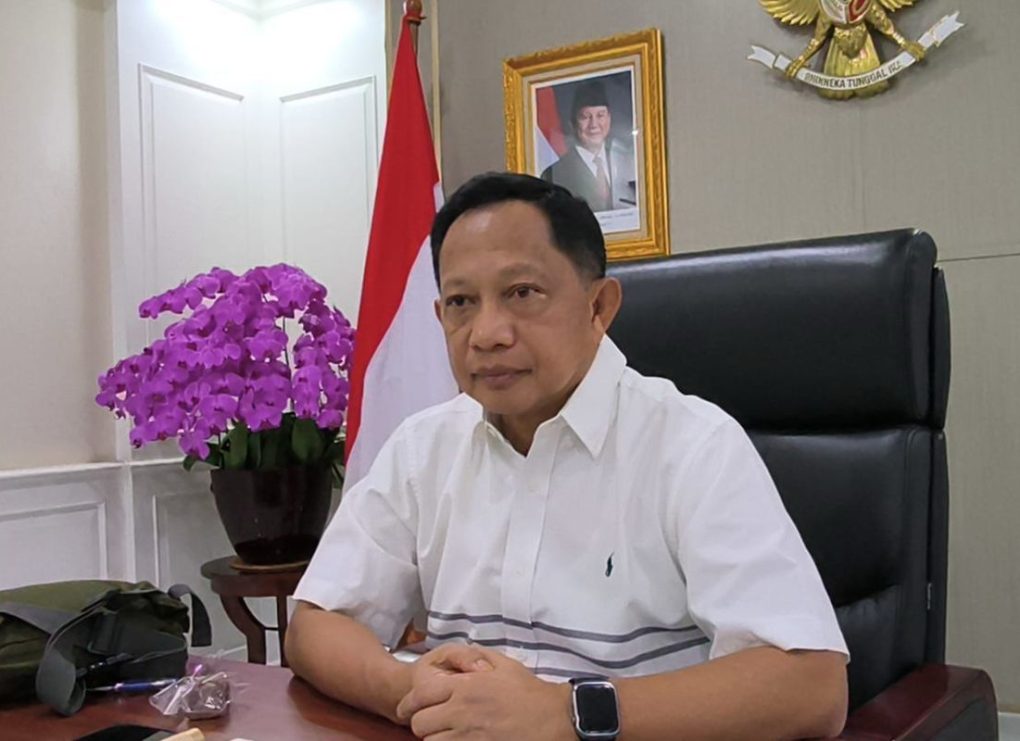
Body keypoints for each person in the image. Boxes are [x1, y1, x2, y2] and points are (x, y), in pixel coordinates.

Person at [286, 172, 849, 740]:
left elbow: (812, 687)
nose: (486, 333)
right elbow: (315, 624)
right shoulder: (422, 447)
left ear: (599, 306)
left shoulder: (691, 445)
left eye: (521, 293)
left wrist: (566, 713)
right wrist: (408, 689)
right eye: (461, 302)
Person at [540, 79, 637, 213]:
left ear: (609, 118)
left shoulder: (629, 162)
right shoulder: (554, 173)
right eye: (585, 117)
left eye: (600, 115)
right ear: (573, 123)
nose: (594, 125)